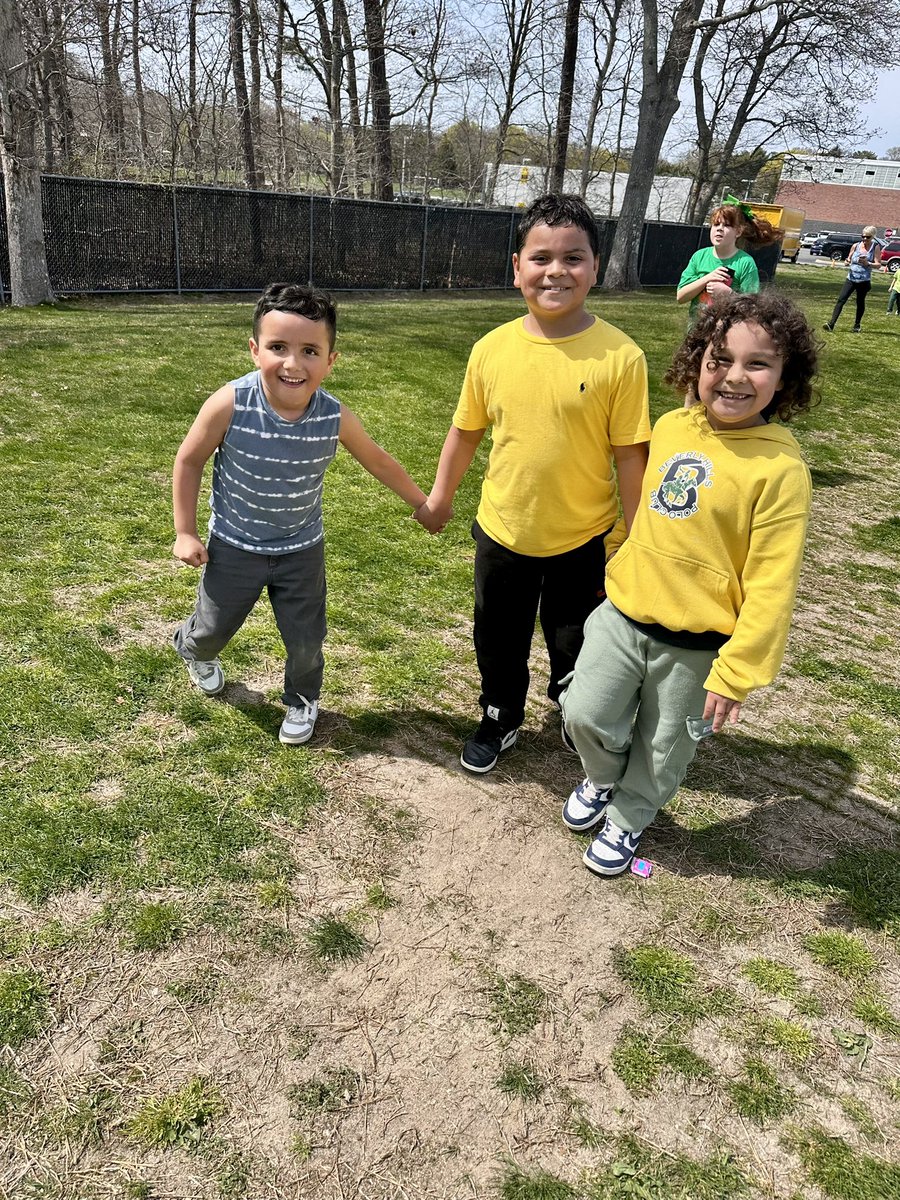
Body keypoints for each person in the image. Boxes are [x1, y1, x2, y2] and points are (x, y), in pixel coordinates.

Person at [560, 291, 817, 877]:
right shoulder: (672, 426)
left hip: (697, 646)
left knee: (664, 747)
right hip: (623, 614)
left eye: (758, 363)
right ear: (697, 362)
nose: (734, 376)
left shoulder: (781, 471)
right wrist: (618, 556)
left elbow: (773, 584)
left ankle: (629, 815)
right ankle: (601, 778)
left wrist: (737, 672)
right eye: (719, 358)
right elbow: (644, 508)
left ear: (785, 377)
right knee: (583, 713)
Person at [421, 194, 651, 774]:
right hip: (504, 531)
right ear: (517, 266)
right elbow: (465, 432)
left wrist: (640, 536)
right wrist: (441, 497)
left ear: (596, 266)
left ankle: (574, 707)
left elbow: (630, 456)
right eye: (541, 257)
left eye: (574, 258)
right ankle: (500, 712)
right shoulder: (491, 349)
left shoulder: (621, 357)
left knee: (575, 638)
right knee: (498, 636)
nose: (556, 271)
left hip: (583, 537)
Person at [172, 282, 441, 744]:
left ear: (331, 360)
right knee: (213, 629)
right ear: (255, 350)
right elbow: (189, 460)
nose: (293, 364)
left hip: (301, 550)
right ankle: (192, 647)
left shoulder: (334, 416)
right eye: (278, 347)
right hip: (234, 546)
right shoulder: (230, 404)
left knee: (305, 638)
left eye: (310, 351)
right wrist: (186, 532)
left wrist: (423, 502)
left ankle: (301, 699)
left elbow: (377, 459)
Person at [676, 197, 783, 322]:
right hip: (697, 331)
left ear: (738, 232)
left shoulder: (745, 263)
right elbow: (681, 297)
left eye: (727, 225)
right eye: (716, 224)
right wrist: (707, 278)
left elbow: (753, 309)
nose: (719, 228)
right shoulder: (699, 256)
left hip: (728, 334)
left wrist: (729, 294)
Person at [823, 226, 882, 332]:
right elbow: (849, 258)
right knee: (841, 299)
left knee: (860, 302)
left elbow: (878, 265)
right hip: (851, 278)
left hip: (863, 280)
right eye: (863, 236)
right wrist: (847, 261)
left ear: (872, 237)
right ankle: (831, 324)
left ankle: (857, 324)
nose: (864, 239)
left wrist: (867, 263)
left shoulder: (875, 247)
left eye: (867, 237)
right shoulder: (856, 245)